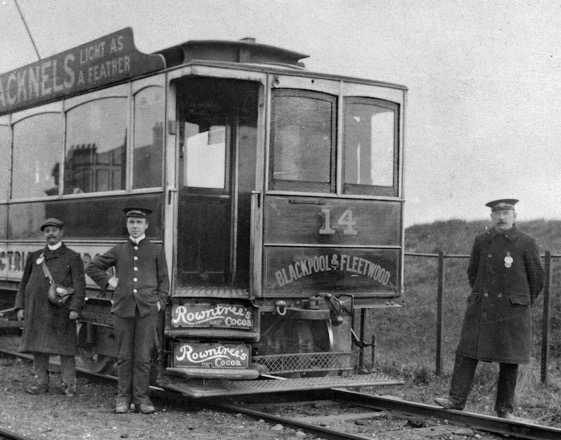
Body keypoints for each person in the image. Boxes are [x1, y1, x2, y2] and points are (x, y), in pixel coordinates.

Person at [435, 199, 545, 419]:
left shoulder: (526, 242)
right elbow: (472, 273)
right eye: (497, 213)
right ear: (491, 217)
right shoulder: (482, 241)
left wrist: (519, 301)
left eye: (506, 212)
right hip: (482, 308)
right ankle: (455, 401)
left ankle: (504, 410)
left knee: (509, 361)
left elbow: (537, 279)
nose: (502, 217)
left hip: (512, 310)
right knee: (466, 353)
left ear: (515, 215)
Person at [86, 208, 169, 414]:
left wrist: (160, 303)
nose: (134, 226)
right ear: (126, 225)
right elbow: (92, 267)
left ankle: (142, 400)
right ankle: (123, 399)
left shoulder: (156, 250)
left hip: (147, 310)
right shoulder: (118, 249)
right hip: (123, 310)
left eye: (139, 223)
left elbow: (164, 282)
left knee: (143, 357)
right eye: (131, 222)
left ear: (146, 226)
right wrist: (110, 281)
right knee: (124, 356)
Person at [14, 218, 86, 396]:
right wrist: (20, 307)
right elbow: (24, 284)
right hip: (36, 309)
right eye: (47, 231)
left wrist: (75, 308)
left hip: (61, 310)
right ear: (44, 234)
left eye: (54, 230)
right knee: (38, 346)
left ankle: (69, 385)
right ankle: (41, 383)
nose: (51, 234)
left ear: (62, 233)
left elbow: (80, 286)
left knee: (66, 349)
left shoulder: (72, 257)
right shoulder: (35, 256)